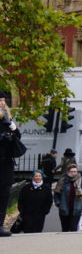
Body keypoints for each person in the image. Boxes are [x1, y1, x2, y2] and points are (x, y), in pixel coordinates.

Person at [0, 95, 21, 238]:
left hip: (5, 161)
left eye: (2, 100)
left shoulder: (7, 118)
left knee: (4, 194)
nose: (1, 103)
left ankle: (0, 225)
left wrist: (10, 126)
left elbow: (18, 135)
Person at [53, 163, 82, 232]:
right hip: (64, 207)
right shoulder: (62, 181)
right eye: (71, 171)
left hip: (76, 208)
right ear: (68, 172)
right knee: (65, 229)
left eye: (75, 171)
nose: (73, 173)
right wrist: (58, 203)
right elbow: (56, 193)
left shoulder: (81, 182)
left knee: (73, 228)